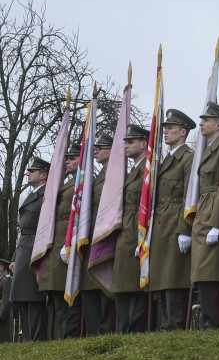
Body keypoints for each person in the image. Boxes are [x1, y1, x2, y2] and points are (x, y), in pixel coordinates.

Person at [190, 102, 219, 329]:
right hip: (204, 210)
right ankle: (207, 321)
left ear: (218, 124)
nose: (201, 124)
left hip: (213, 213)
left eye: (206, 120)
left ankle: (215, 323)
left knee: (211, 273)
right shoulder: (210, 148)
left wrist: (218, 223)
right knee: (202, 273)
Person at [149, 109, 195, 331]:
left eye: (171, 128)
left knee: (174, 276)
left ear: (183, 132)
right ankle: (164, 324)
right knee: (162, 276)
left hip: (175, 220)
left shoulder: (188, 157)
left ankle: (175, 325)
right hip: (161, 222)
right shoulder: (164, 159)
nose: (165, 132)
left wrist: (185, 229)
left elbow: (189, 194)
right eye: (165, 128)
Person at [35, 143, 82, 339]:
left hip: (67, 239)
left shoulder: (82, 182)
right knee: (55, 292)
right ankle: (61, 335)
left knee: (67, 293)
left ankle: (68, 336)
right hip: (56, 241)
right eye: (66, 158)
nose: (68, 161)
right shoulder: (65, 183)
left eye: (72, 158)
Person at [111, 125, 149, 333]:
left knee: (136, 285)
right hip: (126, 231)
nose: (126, 145)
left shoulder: (148, 170)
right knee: (123, 284)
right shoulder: (132, 171)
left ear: (143, 143)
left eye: (131, 141)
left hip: (138, 230)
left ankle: (134, 329)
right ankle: (122, 329)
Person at [9, 157, 50, 341]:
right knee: (23, 299)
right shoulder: (32, 195)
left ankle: (36, 339)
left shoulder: (47, 196)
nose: (28, 173)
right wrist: (14, 257)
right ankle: (27, 339)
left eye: (32, 171)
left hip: (36, 248)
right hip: (24, 248)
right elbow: (22, 231)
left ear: (43, 175)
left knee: (34, 298)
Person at [82, 134, 114, 336]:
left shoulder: (117, 174)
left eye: (101, 148)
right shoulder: (97, 178)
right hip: (93, 236)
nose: (96, 151)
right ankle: (93, 332)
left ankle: (105, 332)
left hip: (107, 237)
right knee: (90, 286)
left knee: (105, 286)